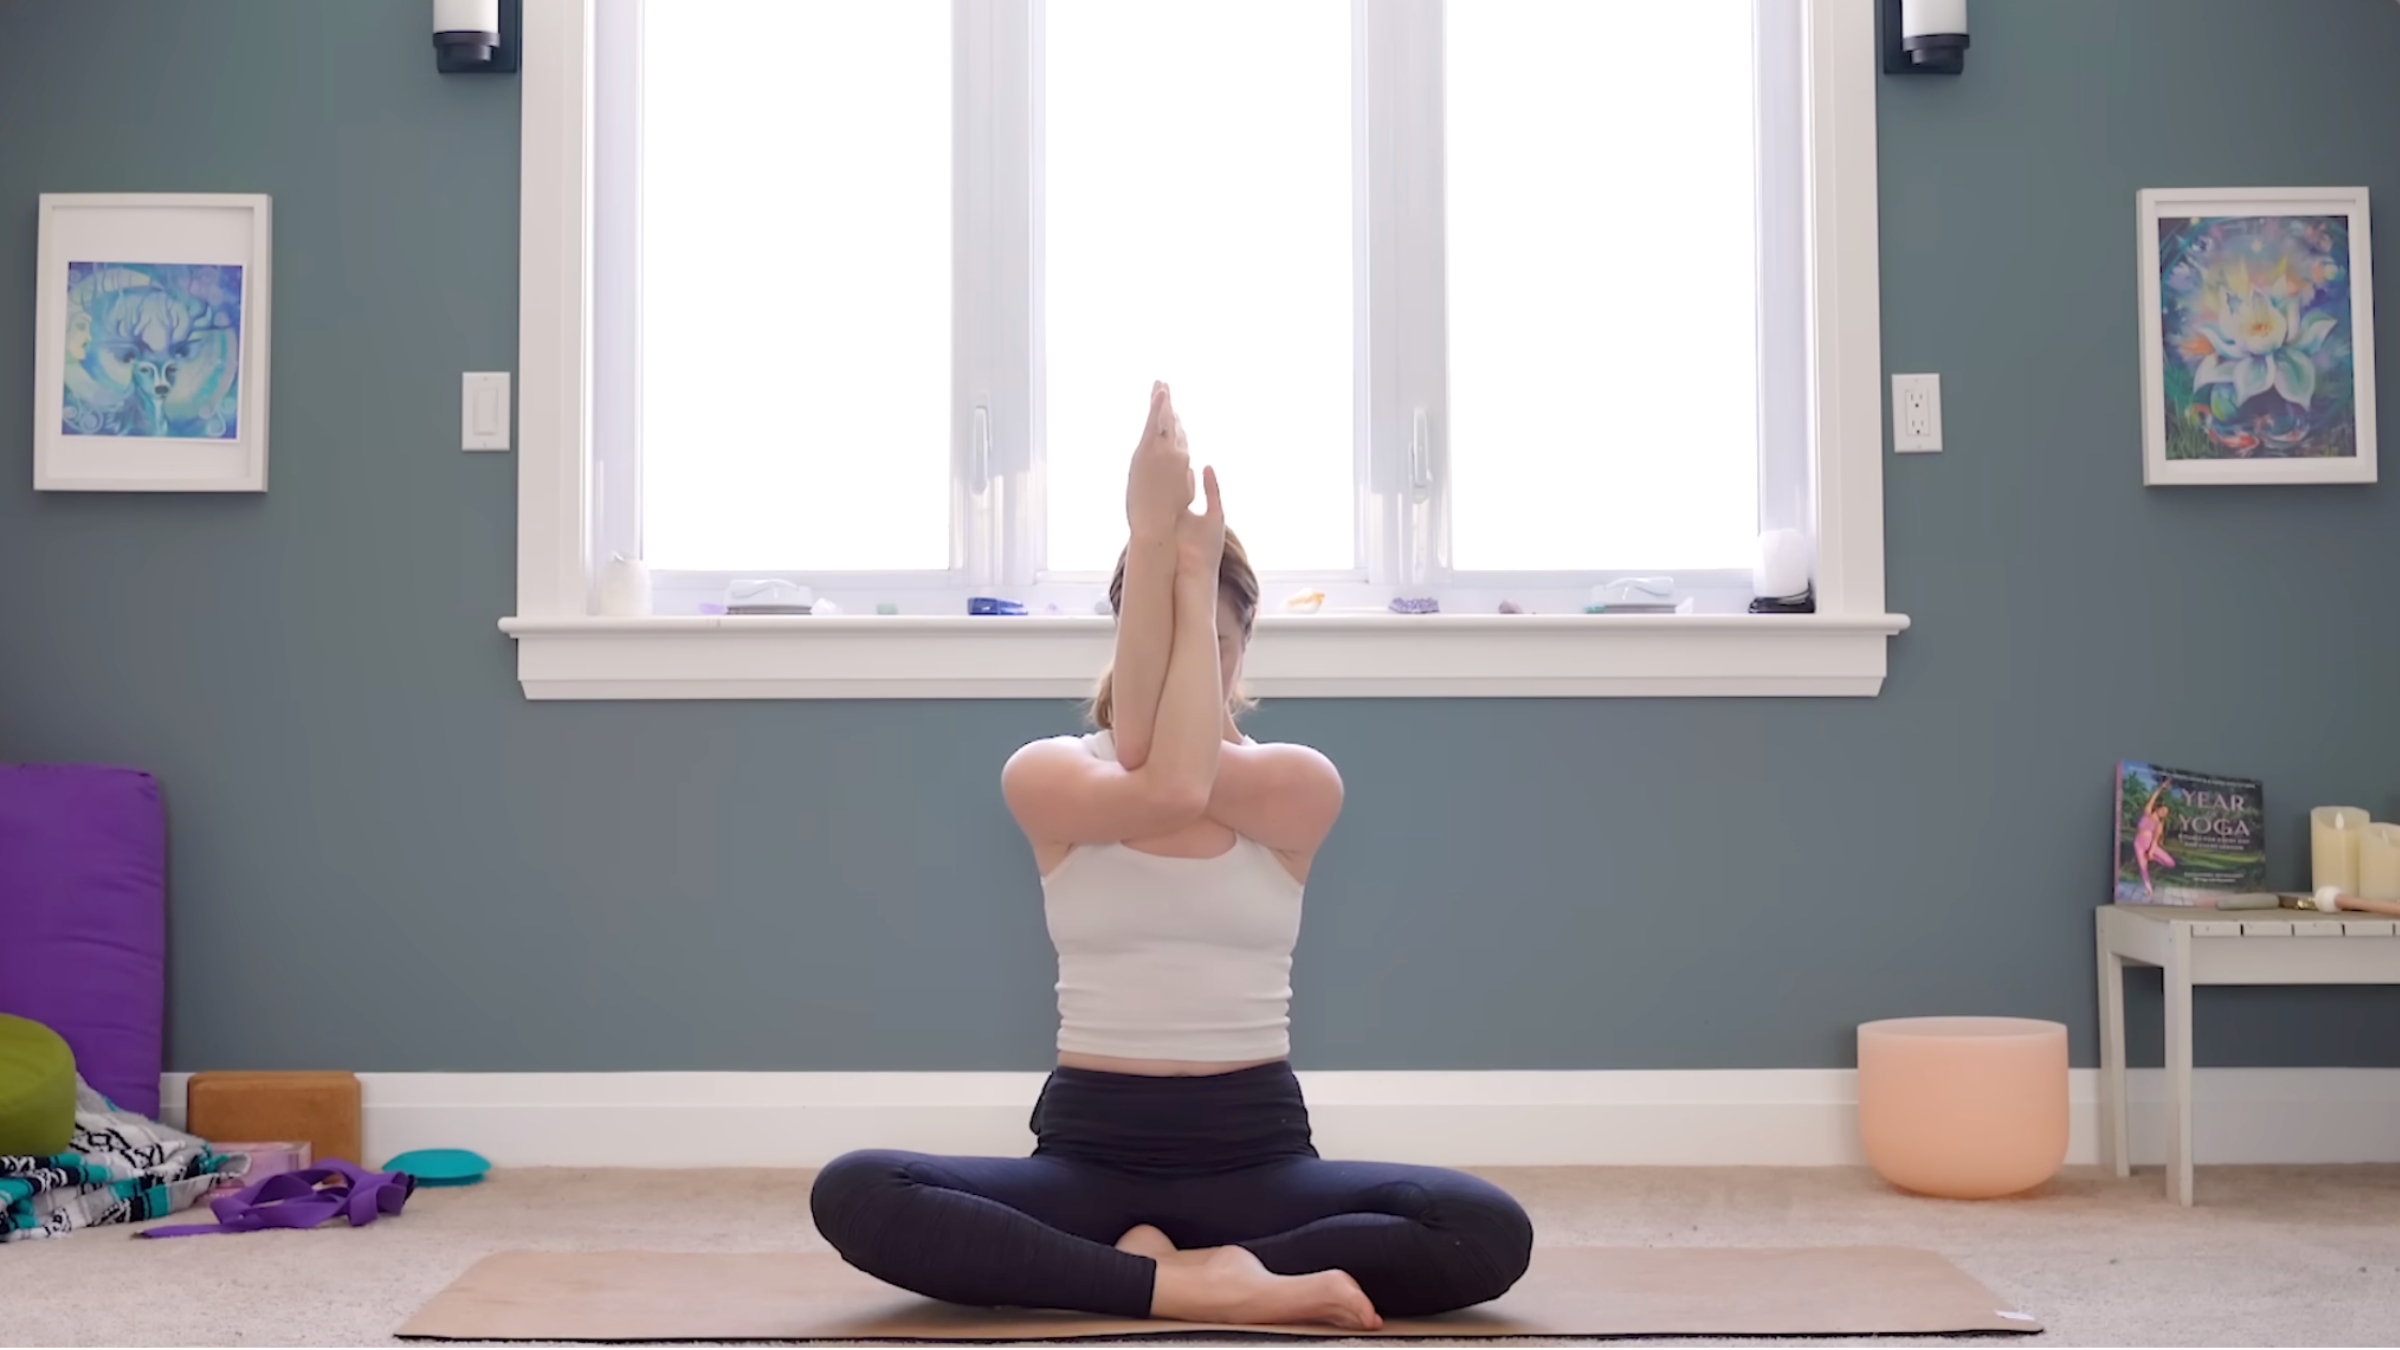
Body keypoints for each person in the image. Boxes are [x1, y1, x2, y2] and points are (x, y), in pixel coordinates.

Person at [811, 383, 1533, 1329]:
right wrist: (1154, 551)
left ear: (1244, 648)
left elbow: (1183, 779)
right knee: (858, 1191)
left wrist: (1183, 579)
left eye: (1216, 646)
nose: (1200, 664)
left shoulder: (1295, 784)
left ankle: (1147, 1274)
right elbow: (1164, 783)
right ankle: (1205, 1285)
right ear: (1122, 641)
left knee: (1484, 1229)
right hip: (1088, 1156)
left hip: (1258, 1157)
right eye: (1162, 642)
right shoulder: (1052, 775)